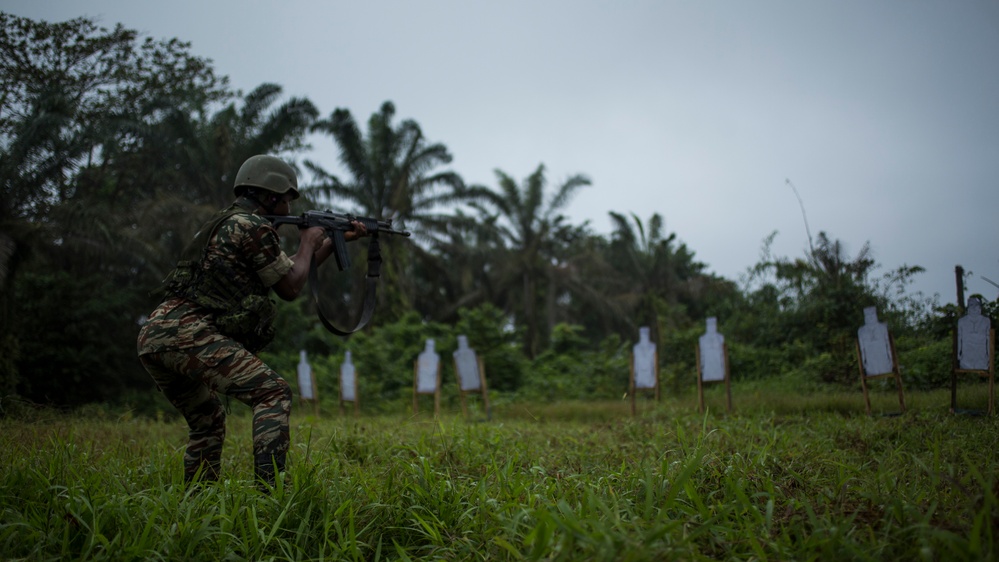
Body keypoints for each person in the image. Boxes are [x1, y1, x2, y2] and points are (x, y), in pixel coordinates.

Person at [136, 154, 366, 489]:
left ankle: (197, 503)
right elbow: (290, 287)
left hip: (157, 333)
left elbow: (287, 270)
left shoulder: (227, 222)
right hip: (188, 333)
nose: (289, 207)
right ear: (271, 195)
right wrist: (308, 240)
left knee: (208, 420)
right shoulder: (254, 227)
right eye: (287, 198)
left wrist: (331, 242)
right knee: (273, 392)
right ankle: (270, 495)